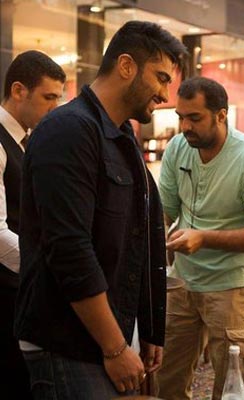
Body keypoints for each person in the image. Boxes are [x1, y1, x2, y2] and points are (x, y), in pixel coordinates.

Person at [14, 21, 187, 399]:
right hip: (68, 343)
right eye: (160, 78)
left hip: (107, 338)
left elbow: (137, 237)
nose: (164, 94)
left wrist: (148, 328)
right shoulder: (68, 129)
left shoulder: (121, 135)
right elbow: (70, 250)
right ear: (126, 66)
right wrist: (115, 347)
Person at [155, 76, 244, 400]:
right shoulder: (178, 148)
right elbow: (165, 211)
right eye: (181, 117)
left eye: (195, 118)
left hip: (233, 288)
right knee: (166, 380)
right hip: (181, 282)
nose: (185, 126)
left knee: (234, 387)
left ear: (221, 115)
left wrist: (204, 238)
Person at [0, 50, 65, 399]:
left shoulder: (29, 139)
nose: (55, 108)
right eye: (48, 97)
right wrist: (48, 270)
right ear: (18, 90)